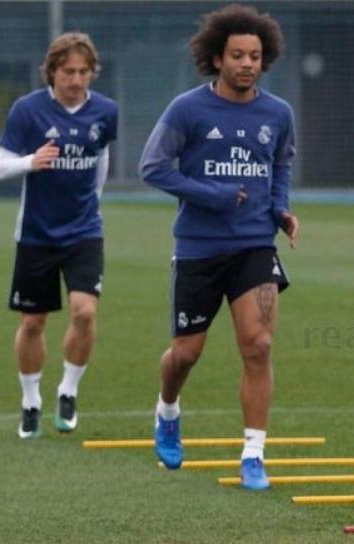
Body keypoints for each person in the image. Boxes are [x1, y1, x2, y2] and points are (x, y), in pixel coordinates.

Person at [139, 3, 298, 490]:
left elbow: (281, 166)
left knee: (259, 345)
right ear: (216, 58)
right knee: (185, 355)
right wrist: (212, 195)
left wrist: (280, 210)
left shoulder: (278, 113)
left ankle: (253, 452)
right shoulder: (187, 109)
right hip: (198, 247)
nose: (247, 63)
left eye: (254, 55)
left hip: (254, 245)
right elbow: (153, 166)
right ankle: (168, 410)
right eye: (237, 55)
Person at [0, 32, 119, 439]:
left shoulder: (105, 111)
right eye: (69, 71)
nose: (77, 80)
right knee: (33, 322)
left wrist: (93, 205)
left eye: (85, 72)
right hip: (36, 233)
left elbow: (101, 159)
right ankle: (31, 400)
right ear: (52, 71)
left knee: (84, 311)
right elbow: (1, 166)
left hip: (84, 230)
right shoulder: (28, 111)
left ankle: (68, 390)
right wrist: (33, 160)